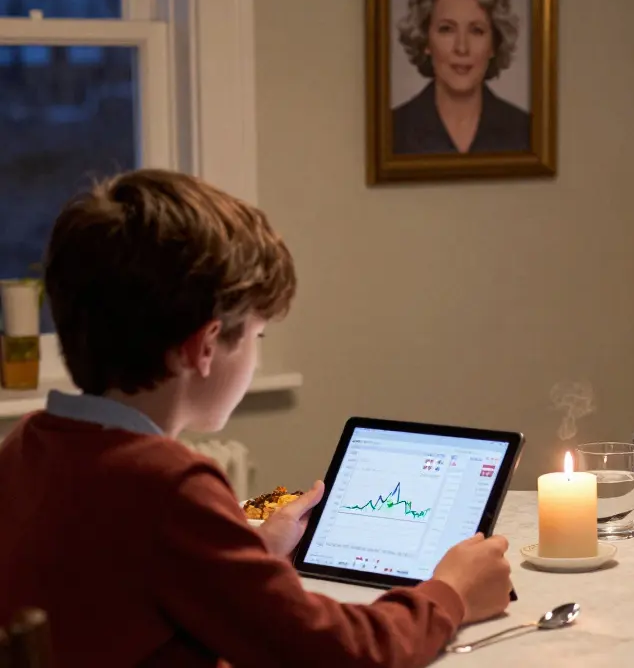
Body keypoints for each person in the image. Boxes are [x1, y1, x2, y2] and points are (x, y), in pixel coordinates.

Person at [0, 170, 513, 666]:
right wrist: (451, 593)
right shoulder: (171, 487)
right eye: (257, 337)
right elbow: (341, 653)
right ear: (205, 347)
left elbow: (126, 585)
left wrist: (250, 553)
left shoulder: (29, 447)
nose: (257, 357)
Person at [392, 0, 530, 155]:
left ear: (494, 43)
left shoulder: (526, 131)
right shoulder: (393, 131)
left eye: (476, 30)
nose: (462, 48)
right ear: (425, 38)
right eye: (447, 29)